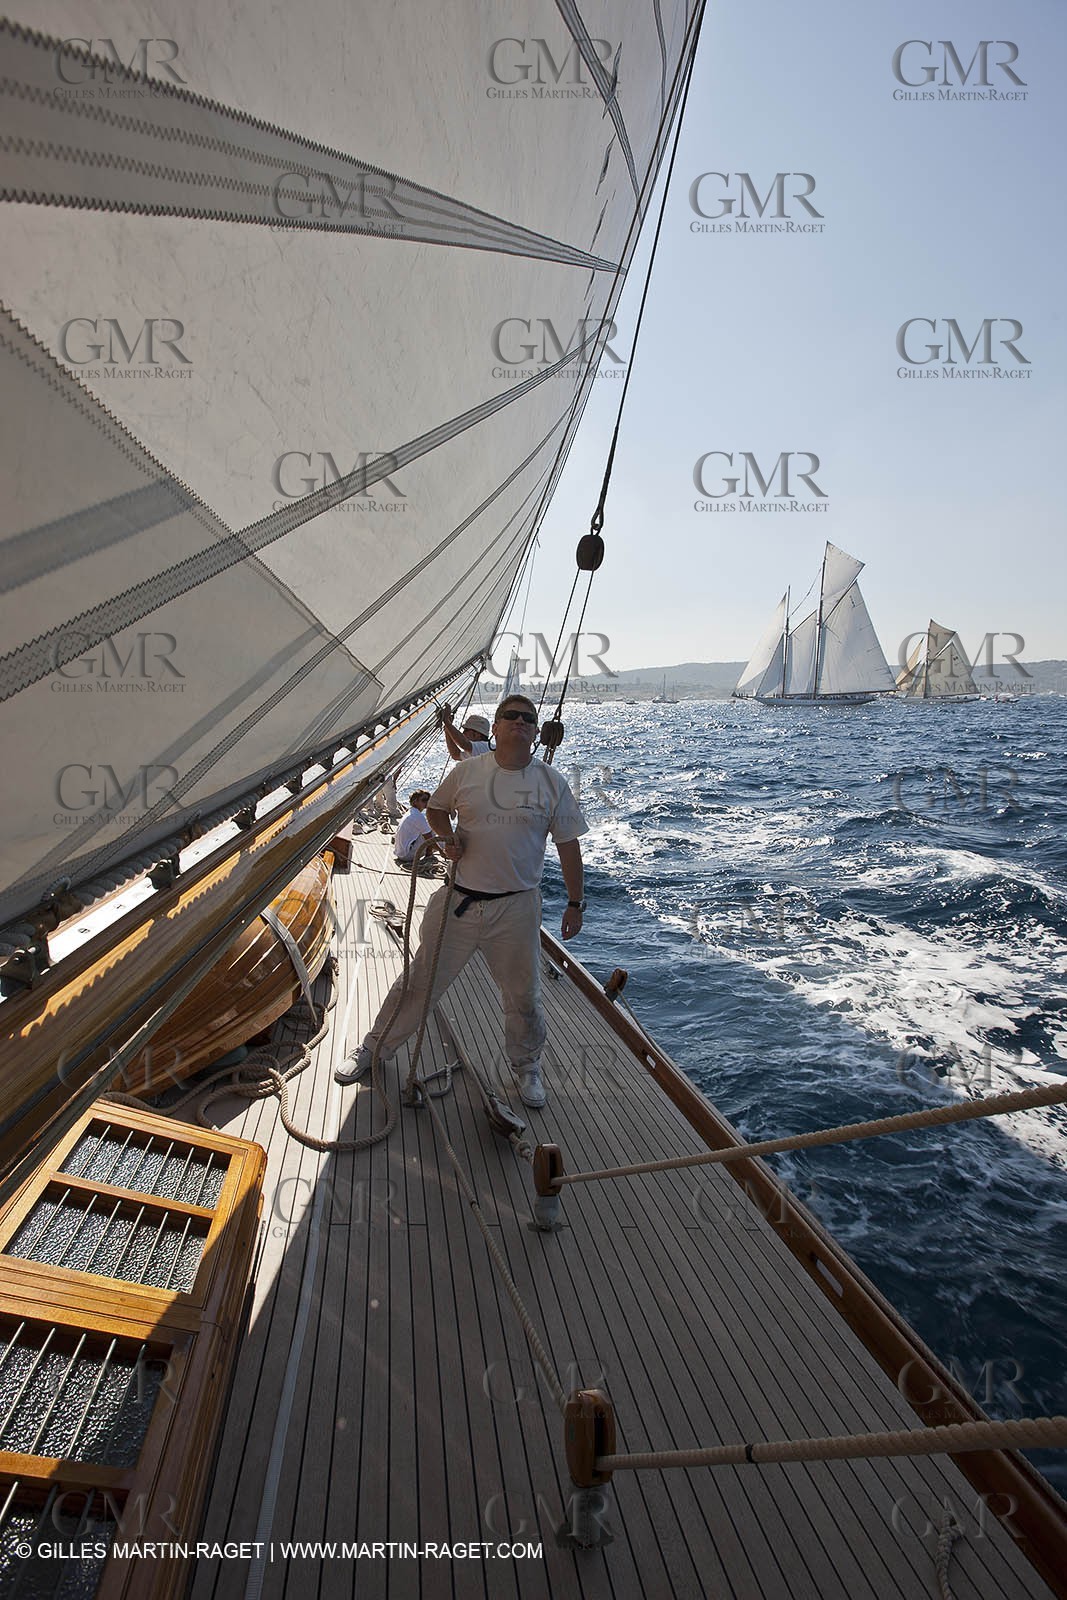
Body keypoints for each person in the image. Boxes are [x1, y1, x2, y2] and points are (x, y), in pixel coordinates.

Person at [336, 693, 587, 1108]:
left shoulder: (551, 783)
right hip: (459, 900)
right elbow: (436, 809)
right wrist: (448, 837)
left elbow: (568, 846)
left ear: (536, 729)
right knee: (419, 983)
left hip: (517, 908)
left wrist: (575, 904)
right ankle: (374, 1048)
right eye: (511, 715)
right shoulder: (469, 771)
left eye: (528, 717)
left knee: (523, 997)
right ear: (498, 726)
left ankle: (526, 1068)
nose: (519, 721)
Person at [393, 790, 436, 866]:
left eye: (428, 800)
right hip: (407, 856)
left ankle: (430, 853)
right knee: (433, 828)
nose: (427, 802)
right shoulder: (418, 816)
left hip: (400, 853)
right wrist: (442, 852)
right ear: (415, 802)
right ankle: (429, 855)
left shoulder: (411, 812)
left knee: (428, 828)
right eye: (424, 800)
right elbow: (429, 839)